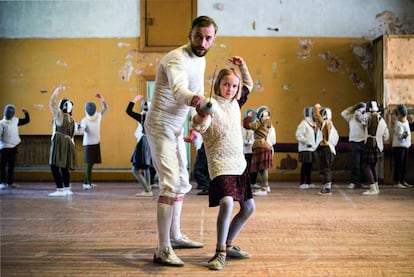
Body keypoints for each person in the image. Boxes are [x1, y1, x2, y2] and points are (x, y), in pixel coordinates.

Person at [144, 16, 218, 267]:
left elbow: (190, 99)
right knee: (169, 184)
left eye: (208, 38)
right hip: (159, 125)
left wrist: (194, 124)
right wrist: (197, 101)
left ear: (213, 39)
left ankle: (174, 236)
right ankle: (162, 248)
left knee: (183, 181)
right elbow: (179, 90)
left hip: (175, 128)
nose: (203, 41)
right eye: (199, 36)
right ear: (190, 34)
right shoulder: (176, 58)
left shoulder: (202, 59)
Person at [192, 56, 255, 270]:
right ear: (218, 84)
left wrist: (242, 66)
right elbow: (199, 126)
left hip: (239, 163)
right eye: (226, 84)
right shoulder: (210, 104)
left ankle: (229, 244)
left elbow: (249, 85)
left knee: (248, 208)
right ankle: (219, 252)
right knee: (227, 202)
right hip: (219, 163)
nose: (230, 88)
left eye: (234, 85)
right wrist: (201, 113)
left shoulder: (235, 103)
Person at [48, 85, 77, 197]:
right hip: (68, 143)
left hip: (59, 142)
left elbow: (51, 103)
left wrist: (56, 91)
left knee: (54, 165)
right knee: (64, 166)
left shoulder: (60, 115)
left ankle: (60, 189)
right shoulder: (71, 119)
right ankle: (67, 188)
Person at [78, 93, 108, 190]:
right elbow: (81, 130)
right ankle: (87, 183)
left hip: (95, 142)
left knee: (90, 164)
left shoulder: (97, 117)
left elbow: (105, 109)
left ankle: (87, 182)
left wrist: (102, 99)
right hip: (88, 144)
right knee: (89, 164)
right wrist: (102, 99)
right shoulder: (86, 120)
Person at [359, 100, 389, 196]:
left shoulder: (367, 117)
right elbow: (386, 136)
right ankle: (376, 187)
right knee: (372, 166)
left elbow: (359, 118)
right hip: (378, 145)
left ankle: (372, 187)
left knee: (366, 166)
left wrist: (361, 111)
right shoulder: (382, 121)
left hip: (369, 144)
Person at [126, 95, 154, 197]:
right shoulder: (154, 118)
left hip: (144, 141)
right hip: (150, 142)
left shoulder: (143, 117)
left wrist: (134, 100)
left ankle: (147, 190)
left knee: (135, 169)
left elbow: (128, 111)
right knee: (146, 167)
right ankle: (148, 188)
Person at [243, 106, 273, 196]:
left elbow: (247, 126)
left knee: (262, 169)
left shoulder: (260, 122)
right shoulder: (268, 122)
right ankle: (266, 186)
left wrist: (248, 117)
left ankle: (264, 188)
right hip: (265, 145)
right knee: (263, 168)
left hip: (260, 146)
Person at [0, 104, 30, 189]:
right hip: (4, 147)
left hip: (13, 146)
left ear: (13, 113)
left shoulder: (16, 120)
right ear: (5, 113)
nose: (9, 114)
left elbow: (26, 120)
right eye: (8, 112)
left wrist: (26, 113)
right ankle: (2, 182)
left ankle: (10, 182)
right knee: (2, 166)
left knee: (11, 166)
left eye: (11, 112)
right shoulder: (1, 123)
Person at [314, 104, 339, 195]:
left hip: (326, 148)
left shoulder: (326, 123)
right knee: (324, 168)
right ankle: (326, 187)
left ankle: (327, 188)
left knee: (325, 168)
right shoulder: (330, 124)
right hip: (329, 148)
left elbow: (317, 116)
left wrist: (316, 108)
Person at [341, 102, 366, 189]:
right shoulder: (351, 117)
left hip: (364, 142)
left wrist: (363, 112)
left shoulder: (365, 117)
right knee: (355, 163)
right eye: (358, 110)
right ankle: (354, 181)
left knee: (363, 163)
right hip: (355, 142)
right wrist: (354, 107)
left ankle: (361, 182)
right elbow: (343, 113)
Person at [295, 107, 318, 190]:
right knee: (305, 166)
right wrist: (306, 141)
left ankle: (308, 182)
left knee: (309, 166)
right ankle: (302, 182)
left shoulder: (312, 124)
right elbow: (298, 135)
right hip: (305, 148)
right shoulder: (303, 123)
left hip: (311, 148)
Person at [391, 104, 411, 189]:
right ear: (398, 115)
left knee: (404, 165)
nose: (403, 117)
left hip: (406, 146)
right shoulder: (397, 124)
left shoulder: (406, 122)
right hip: (399, 146)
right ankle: (397, 181)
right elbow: (401, 136)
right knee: (398, 164)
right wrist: (405, 134)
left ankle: (403, 180)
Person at [242, 109, 255, 185]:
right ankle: (246, 181)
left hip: (253, 148)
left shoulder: (255, 126)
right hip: (245, 150)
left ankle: (252, 181)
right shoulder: (242, 128)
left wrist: (251, 141)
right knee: (246, 165)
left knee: (252, 166)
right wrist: (245, 141)